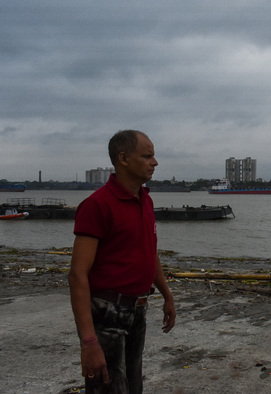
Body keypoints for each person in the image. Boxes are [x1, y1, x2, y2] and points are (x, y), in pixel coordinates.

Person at [68, 129, 176, 393]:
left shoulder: (145, 200)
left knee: (133, 385)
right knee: (108, 388)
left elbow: (149, 253)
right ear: (124, 159)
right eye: (148, 156)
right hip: (107, 313)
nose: (155, 162)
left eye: (154, 156)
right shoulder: (97, 205)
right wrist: (89, 342)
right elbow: (77, 275)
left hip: (138, 309)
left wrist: (166, 295)